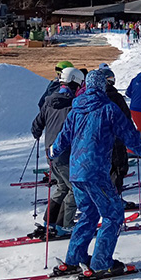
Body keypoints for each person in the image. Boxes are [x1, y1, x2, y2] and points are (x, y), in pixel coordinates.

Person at [50, 70, 141, 278]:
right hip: (95, 172)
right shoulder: (109, 109)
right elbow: (131, 138)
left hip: (76, 172)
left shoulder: (77, 109)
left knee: (89, 215)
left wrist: (52, 151)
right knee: (113, 214)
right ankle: (101, 262)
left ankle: (74, 259)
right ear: (102, 86)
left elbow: (63, 138)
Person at [30, 68, 85, 237]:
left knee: (62, 187)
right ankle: (65, 225)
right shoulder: (72, 105)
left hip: (51, 153)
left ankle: (50, 221)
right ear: (75, 83)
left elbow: (36, 125)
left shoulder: (49, 101)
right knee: (76, 189)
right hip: (65, 153)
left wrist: (39, 133)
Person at [100, 68, 132, 194]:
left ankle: (102, 196)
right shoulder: (116, 97)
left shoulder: (90, 98)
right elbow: (127, 118)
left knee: (103, 169)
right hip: (115, 141)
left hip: (97, 141)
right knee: (118, 169)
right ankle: (113, 199)